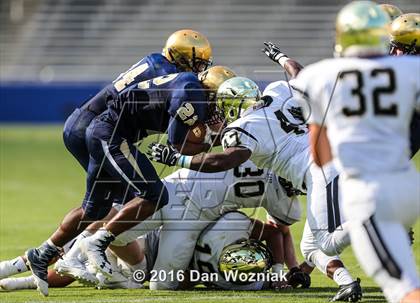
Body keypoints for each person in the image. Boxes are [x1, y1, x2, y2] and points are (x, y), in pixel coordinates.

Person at [148, 76, 362, 301]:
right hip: (331, 162)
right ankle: (346, 282)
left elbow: (224, 160)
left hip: (318, 171)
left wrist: (177, 158)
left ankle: (367, 224)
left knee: (326, 240)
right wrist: (292, 271)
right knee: (313, 245)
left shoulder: (247, 130)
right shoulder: (276, 100)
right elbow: (300, 76)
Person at [25, 63, 231, 296]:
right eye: (219, 101)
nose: (218, 109)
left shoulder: (191, 86)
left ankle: (42, 253)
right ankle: (97, 243)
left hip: (105, 131)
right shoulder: (192, 94)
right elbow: (177, 144)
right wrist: (213, 139)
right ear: (211, 90)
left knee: (94, 210)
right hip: (112, 135)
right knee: (155, 195)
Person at [293, 2, 420, 302]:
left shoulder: (320, 76)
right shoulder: (411, 70)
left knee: (404, 289)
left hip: (369, 191)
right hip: (406, 183)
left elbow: (320, 155)